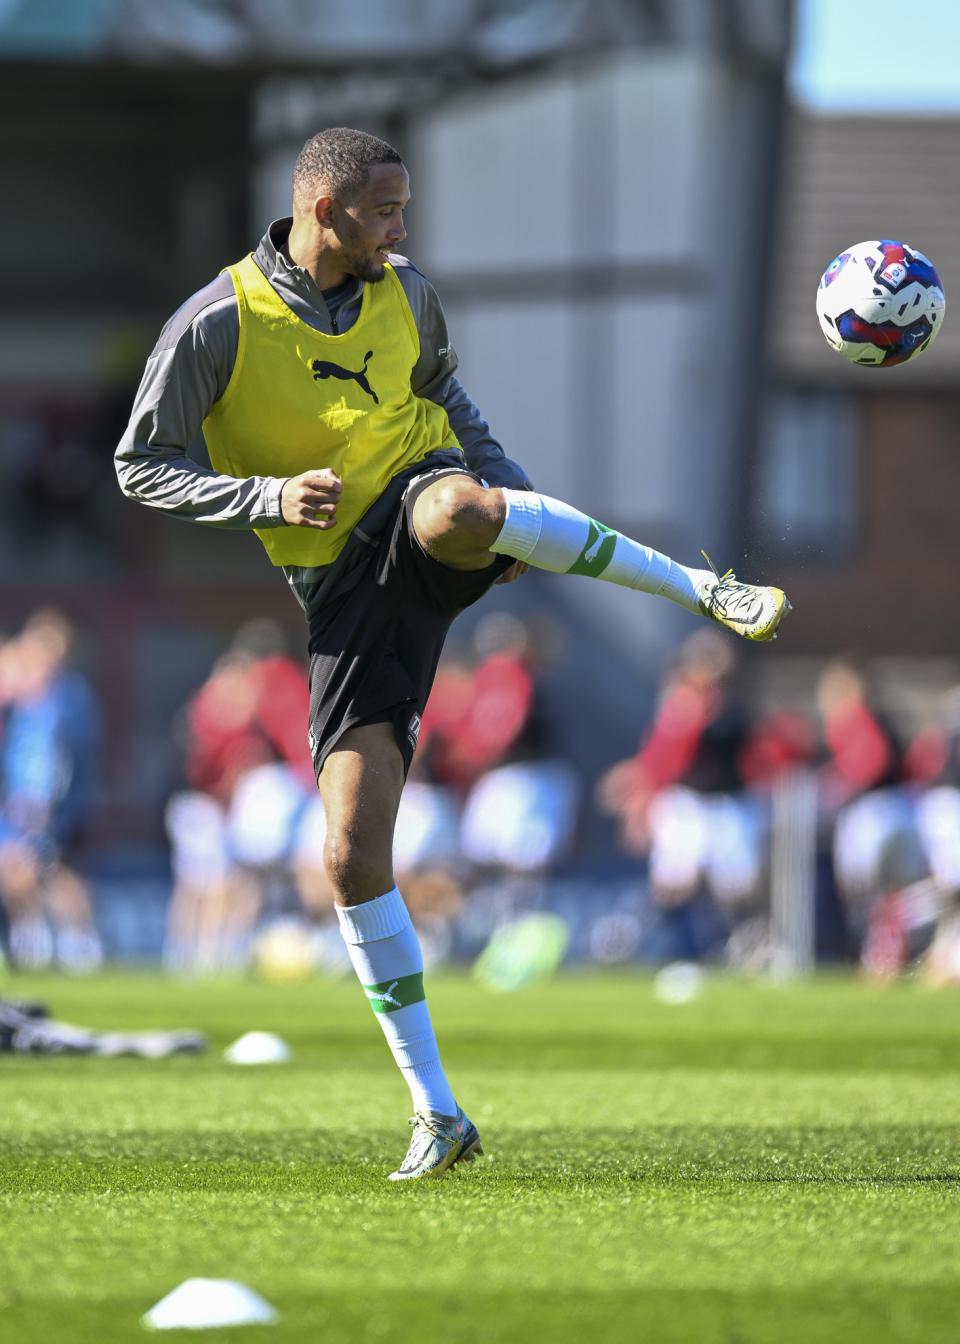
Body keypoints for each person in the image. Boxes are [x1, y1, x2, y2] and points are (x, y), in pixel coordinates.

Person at [115, 127, 791, 1180]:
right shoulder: (216, 322)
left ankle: (704, 588)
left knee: (457, 508)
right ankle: (437, 1112)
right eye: (385, 211)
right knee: (349, 857)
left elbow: (450, 400)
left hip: (421, 495)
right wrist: (265, 497)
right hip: (340, 589)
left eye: (404, 209)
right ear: (325, 211)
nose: (401, 229)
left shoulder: (410, 294)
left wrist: (507, 498)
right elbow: (140, 465)